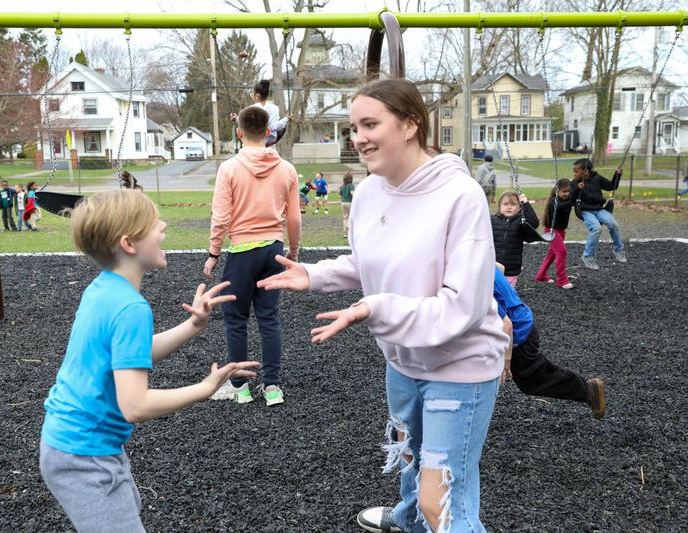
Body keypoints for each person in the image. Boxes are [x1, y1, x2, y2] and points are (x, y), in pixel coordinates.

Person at [257, 79, 506, 533]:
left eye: (370, 124)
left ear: (411, 124)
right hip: (400, 362)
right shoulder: (370, 192)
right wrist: (315, 275)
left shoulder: (460, 196)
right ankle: (407, 523)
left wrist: (375, 308)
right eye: (354, 127)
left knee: (443, 502)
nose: (359, 137)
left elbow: (462, 307)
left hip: (459, 367)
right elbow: (371, 261)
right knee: (410, 462)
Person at [39, 188, 258, 532]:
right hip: (85, 454)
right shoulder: (130, 307)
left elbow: (129, 355)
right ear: (129, 244)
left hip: (72, 443)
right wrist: (204, 389)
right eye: (155, 223)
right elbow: (136, 405)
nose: (164, 226)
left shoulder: (103, 289)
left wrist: (193, 325)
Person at [205, 104, 301, 406]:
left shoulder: (230, 168)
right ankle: (272, 388)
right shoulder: (287, 170)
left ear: (239, 132)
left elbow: (220, 216)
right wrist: (293, 252)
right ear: (268, 133)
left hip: (242, 251)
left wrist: (213, 253)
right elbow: (295, 219)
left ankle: (241, 387)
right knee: (269, 318)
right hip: (273, 250)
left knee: (235, 320)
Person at [495, 263, 604, 418]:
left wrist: (506, 359)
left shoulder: (475, 282)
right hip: (523, 320)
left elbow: (507, 325)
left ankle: (587, 390)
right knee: (534, 374)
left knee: (534, 380)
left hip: (518, 335)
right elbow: (501, 268)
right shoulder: (480, 259)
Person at [570, 158, 625, 270]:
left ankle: (619, 249)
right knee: (596, 228)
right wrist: (577, 189)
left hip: (599, 210)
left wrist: (617, 175)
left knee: (613, 223)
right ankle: (588, 256)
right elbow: (571, 200)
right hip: (585, 211)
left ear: (585, 172)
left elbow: (611, 186)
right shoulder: (574, 183)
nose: (574, 174)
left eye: (576, 171)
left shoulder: (597, 178)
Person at [491, 190, 539, 287]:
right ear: (499, 207)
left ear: (519, 208)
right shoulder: (492, 220)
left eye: (513, 204)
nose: (509, 207)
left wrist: (526, 204)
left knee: (508, 294)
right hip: (494, 266)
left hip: (511, 268)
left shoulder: (521, 221)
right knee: (493, 293)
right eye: (505, 204)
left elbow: (534, 223)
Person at [534, 178, 574, 289]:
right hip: (552, 231)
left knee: (552, 254)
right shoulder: (554, 201)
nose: (567, 194)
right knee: (562, 251)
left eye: (569, 191)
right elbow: (562, 206)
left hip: (561, 230)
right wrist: (573, 200)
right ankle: (561, 279)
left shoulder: (568, 199)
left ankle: (541, 275)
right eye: (564, 191)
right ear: (557, 191)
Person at [229, 79, 294, 147]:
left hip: (255, 141)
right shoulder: (274, 108)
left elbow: (245, 124)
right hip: (270, 140)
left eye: (252, 94)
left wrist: (236, 119)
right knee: (281, 126)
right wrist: (287, 119)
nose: (252, 96)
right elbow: (274, 127)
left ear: (257, 96)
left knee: (247, 128)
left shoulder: (251, 108)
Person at [338, 171, 355, 238]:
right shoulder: (351, 185)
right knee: (351, 217)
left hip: (343, 203)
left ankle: (345, 232)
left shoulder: (343, 187)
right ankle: (351, 230)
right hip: (350, 202)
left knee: (345, 217)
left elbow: (340, 196)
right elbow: (352, 193)